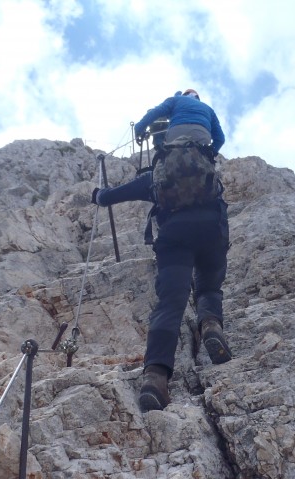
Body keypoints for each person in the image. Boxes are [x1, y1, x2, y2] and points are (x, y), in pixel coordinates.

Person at [92, 88, 231, 412]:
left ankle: (155, 378)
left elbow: (115, 195)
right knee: (209, 286)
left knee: (170, 304)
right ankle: (211, 324)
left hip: (174, 237)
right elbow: (220, 138)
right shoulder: (206, 131)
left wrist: (99, 195)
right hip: (211, 226)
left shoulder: (158, 173)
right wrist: (210, 152)